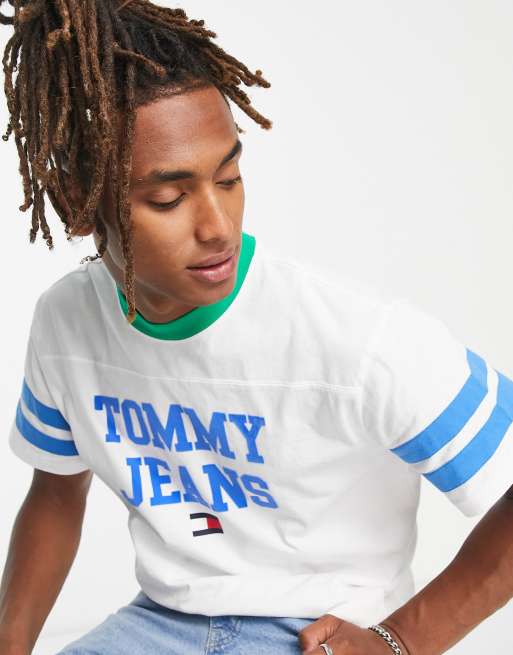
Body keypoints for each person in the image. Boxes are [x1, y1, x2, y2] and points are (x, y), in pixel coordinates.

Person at [1, 2, 513, 655]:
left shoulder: (358, 339)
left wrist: (404, 639)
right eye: (168, 198)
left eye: (228, 178)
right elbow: (55, 492)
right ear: (78, 201)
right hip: (157, 621)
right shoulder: (66, 322)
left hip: (318, 630)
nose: (218, 226)